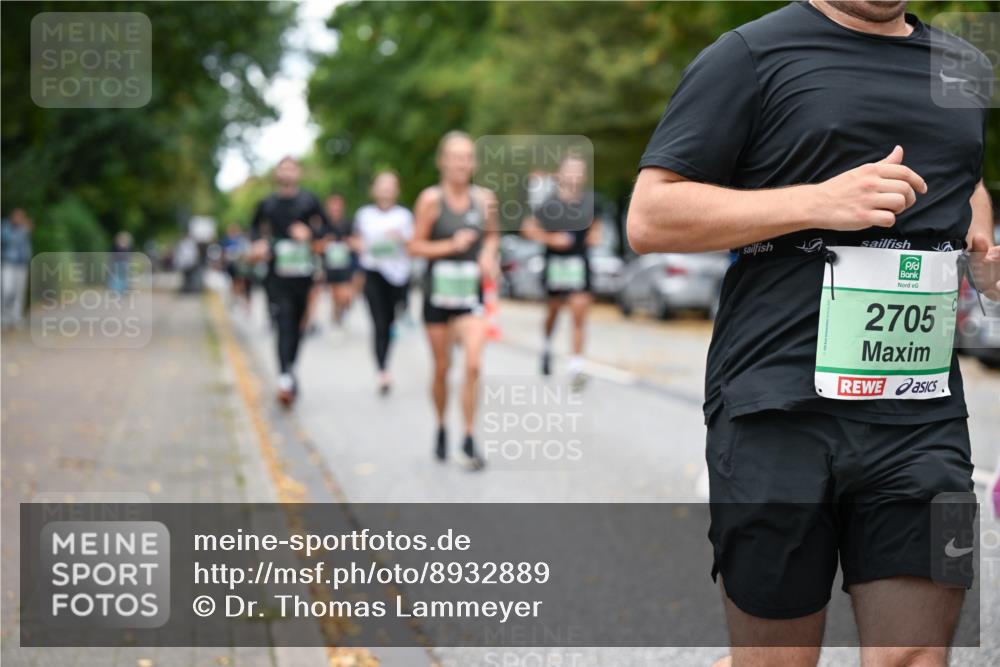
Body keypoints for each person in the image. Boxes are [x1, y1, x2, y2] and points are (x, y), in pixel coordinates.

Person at [627, 2, 997, 665]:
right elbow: (652, 215)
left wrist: (981, 239)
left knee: (914, 652)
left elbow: (960, 170)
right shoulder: (748, 56)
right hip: (778, 408)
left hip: (920, 414)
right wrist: (817, 201)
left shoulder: (965, 68)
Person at [409, 131, 499, 470]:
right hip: (438, 295)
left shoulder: (485, 200)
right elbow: (414, 246)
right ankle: (442, 426)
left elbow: (491, 239)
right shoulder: (430, 200)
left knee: (473, 365)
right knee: (442, 368)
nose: (461, 163)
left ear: (473, 162)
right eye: (454, 157)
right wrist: (451, 245)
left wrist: (488, 257)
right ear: (442, 161)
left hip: (470, 295)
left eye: (467, 157)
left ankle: (469, 436)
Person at [249, 156, 331, 407]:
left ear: (298, 173)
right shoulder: (267, 203)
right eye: (283, 168)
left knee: (297, 325)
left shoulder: (309, 200)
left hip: (303, 274)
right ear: (277, 173)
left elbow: (327, 229)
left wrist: (309, 234)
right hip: (276, 273)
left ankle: (290, 368)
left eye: (291, 168)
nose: (287, 172)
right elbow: (253, 229)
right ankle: (285, 378)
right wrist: (259, 244)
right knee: (283, 322)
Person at [521, 154, 600, 387]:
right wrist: (550, 239)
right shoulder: (549, 203)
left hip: (578, 263)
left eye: (579, 171)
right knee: (554, 312)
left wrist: (596, 236)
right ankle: (546, 344)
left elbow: (597, 226)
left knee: (579, 312)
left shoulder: (590, 201)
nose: (574, 176)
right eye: (570, 170)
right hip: (555, 264)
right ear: (561, 174)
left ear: (584, 176)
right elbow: (528, 228)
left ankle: (576, 366)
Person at [354, 172, 413, 395]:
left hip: (397, 276)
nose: (386, 190)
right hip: (373, 273)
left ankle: (385, 359)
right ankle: (382, 370)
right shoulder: (364, 215)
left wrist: (400, 238)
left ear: (396, 190)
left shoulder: (404, 216)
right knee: (379, 323)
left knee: (389, 323)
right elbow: (355, 239)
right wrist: (360, 246)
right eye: (382, 186)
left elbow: (413, 243)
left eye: (391, 186)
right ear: (374, 190)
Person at [322, 193, 359, 327]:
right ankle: (337, 315)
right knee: (335, 293)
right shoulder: (322, 225)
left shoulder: (348, 223)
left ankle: (341, 310)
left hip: (346, 264)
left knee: (346, 294)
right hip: (329, 265)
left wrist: (348, 243)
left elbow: (356, 240)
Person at [1, 208, 32, 329]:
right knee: (6, 290)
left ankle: (16, 317)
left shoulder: (24, 229)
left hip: (22, 264)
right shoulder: (5, 227)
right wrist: (24, 230)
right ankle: (4, 316)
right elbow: (10, 240)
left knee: (19, 292)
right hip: (8, 263)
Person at [220, 224, 252, 311]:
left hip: (241, 266)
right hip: (231, 266)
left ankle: (244, 301)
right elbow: (223, 254)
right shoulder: (226, 241)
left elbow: (246, 253)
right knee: (234, 282)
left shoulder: (241, 241)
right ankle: (236, 298)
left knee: (243, 283)